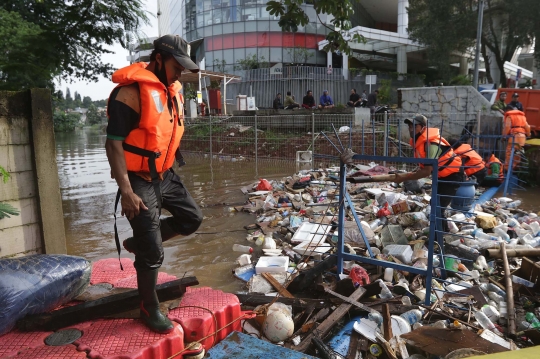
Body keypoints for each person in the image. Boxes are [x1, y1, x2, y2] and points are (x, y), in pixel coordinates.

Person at [105, 34, 203, 334]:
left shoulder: (173, 89)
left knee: (192, 218)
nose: (180, 73)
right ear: (158, 58)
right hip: (137, 178)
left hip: (164, 173)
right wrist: (127, 192)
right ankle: (149, 307)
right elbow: (113, 145)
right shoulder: (130, 93)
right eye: (177, 66)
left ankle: (141, 242)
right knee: (154, 255)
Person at [394, 115, 464, 219]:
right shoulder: (419, 142)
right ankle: (438, 232)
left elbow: (426, 171)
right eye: (409, 127)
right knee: (435, 204)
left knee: (438, 208)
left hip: (453, 175)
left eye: (414, 126)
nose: (411, 129)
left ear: (423, 128)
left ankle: (439, 234)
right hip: (441, 176)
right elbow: (424, 166)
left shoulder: (431, 145)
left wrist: (404, 177)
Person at [503, 104, 530, 171]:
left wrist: (504, 136)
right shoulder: (522, 117)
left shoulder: (509, 116)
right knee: (518, 152)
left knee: (509, 152)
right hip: (522, 137)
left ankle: (507, 168)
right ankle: (515, 167)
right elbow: (528, 127)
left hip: (514, 136)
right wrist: (529, 134)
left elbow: (507, 127)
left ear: (507, 110)